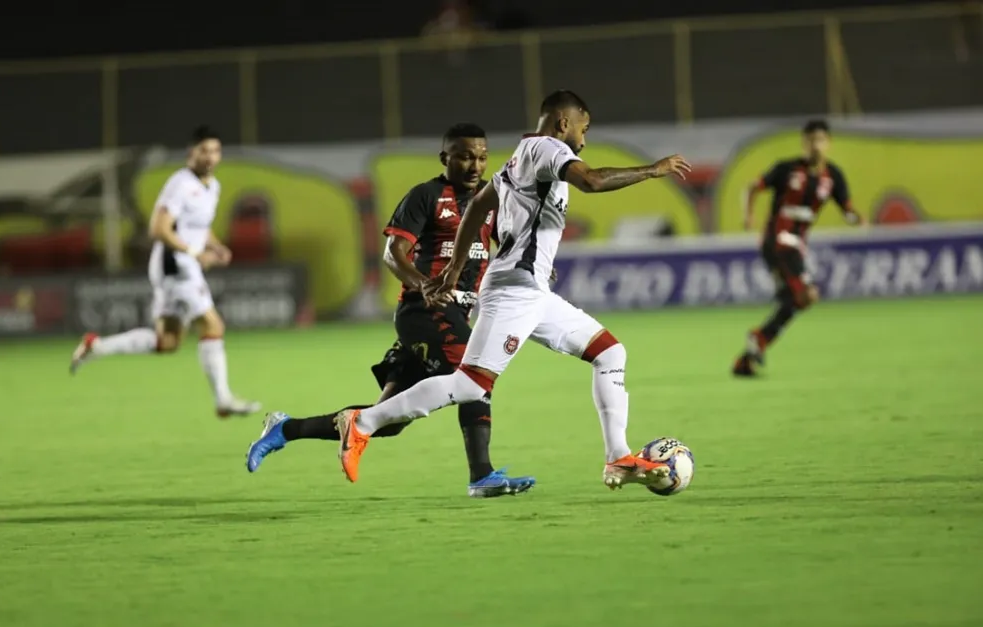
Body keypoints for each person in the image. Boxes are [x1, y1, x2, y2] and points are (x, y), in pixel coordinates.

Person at [332, 90, 691, 490]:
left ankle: (617, 459)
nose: (584, 140)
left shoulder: (519, 158)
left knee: (609, 352)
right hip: (514, 291)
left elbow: (476, 208)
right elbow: (590, 181)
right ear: (562, 124)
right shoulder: (548, 148)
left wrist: (453, 270)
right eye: (582, 129)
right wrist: (652, 170)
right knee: (470, 386)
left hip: (530, 289)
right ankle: (362, 421)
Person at [245, 123, 534, 498]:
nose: (474, 165)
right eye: (464, 156)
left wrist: (530, 263)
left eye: (481, 157)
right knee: (474, 375)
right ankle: (481, 474)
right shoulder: (425, 196)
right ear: (445, 157)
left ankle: (285, 429)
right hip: (422, 311)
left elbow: (509, 246)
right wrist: (424, 284)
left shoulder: (490, 200)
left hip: (456, 315)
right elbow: (392, 254)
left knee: (388, 420)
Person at [70, 125, 260, 418]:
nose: (210, 157)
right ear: (190, 153)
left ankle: (96, 347)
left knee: (167, 342)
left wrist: (217, 246)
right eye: (204, 151)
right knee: (213, 326)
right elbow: (159, 228)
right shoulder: (180, 184)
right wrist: (194, 253)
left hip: (183, 265)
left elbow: (199, 225)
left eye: (215, 150)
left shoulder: (213, 186)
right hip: (175, 265)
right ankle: (223, 400)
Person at [733, 119, 864, 377]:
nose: (816, 146)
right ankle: (759, 338)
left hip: (797, 245)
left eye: (821, 140)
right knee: (808, 295)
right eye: (811, 140)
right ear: (804, 143)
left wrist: (856, 217)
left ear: (829, 143)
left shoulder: (833, 176)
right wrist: (748, 215)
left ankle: (747, 358)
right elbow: (753, 187)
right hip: (777, 242)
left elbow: (847, 208)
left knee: (794, 302)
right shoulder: (787, 169)